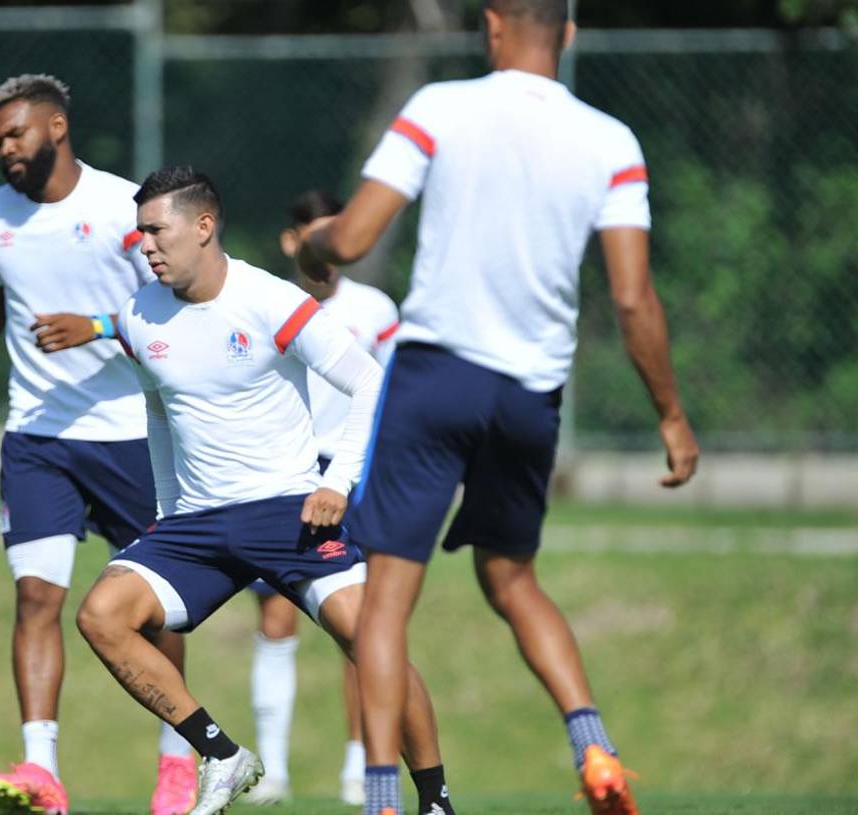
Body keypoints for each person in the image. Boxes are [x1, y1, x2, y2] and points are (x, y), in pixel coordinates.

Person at [297, 2, 702, 814]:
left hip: (436, 378)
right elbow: (632, 299)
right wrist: (670, 414)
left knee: (386, 594)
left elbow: (353, 237)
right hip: (529, 396)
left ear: (491, 26)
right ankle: (595, 748)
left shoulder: (440, 109)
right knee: (513, 578)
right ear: (570, 33)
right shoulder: (611, 142)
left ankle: (381, 795)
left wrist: (315, 243)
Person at [76, 167, 457, 815]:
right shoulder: (139, 316)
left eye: (156, 230)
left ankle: (436, 800)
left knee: (374, 643)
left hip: (290, 513)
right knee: (101, 616)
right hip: (195, 525)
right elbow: (159, 414)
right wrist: (165, 514)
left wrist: (338, 483)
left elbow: (371, 382)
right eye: (139, 233)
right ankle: (222, 754)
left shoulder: (271, 299)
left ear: (204, 226)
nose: (145, 246)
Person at [0, 74, 196, 815]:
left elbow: (171, 306)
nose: (6, 149)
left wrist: (96, 326)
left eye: (17, 133)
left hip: (131, 435)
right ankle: (43, 771)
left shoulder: (119, 208)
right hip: (37, 437)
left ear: (57, 126)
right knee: (37, 596)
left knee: (156, 609)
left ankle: (177, 762)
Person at [243, 190, 399, 807]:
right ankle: (273, 774)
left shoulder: (377, 309)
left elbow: (393, 396)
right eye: (315, 235)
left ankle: (361, 768)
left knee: (357, 626)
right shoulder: (266, 303)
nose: (326, 250)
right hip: (288, 477)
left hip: (357, 477)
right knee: (276, 619)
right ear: (292, 241)